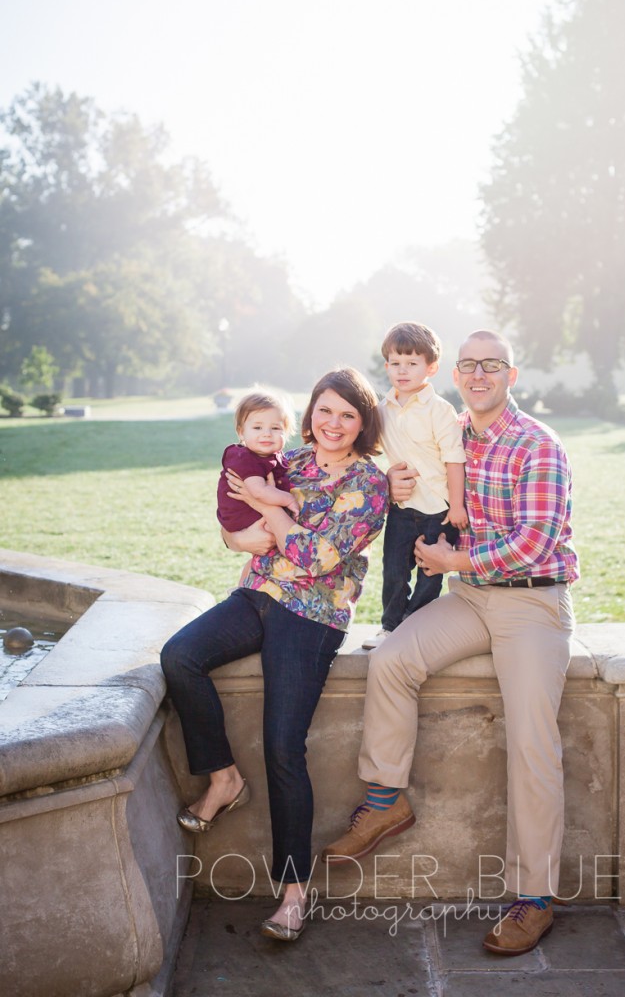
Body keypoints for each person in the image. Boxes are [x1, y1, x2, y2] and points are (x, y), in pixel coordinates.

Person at [322, 330, 579, 957]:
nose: (479, 375)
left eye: (491, 366)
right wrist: (402, 487)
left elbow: (535, 542)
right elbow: (413, 480)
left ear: (511, 376)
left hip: (531, 601)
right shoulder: (446, 426)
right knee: (391, 660)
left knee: (531, 740)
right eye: (469, 366)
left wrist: (453, 559)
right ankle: (385, 800)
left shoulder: (538, 445)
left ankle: (535, 898)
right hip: (470, 598)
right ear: (455, 375)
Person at [161, 368, 389, 942]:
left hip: (312, 615)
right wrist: (242, 531)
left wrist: (274, 511)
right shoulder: (289, 462)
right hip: (258, 593)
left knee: (284, 746)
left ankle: (293, 892)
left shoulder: (369, 483)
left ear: (363, 423)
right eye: (325, 411)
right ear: (309, 413)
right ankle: (223, 778)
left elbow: (316, 557)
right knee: (180, 655)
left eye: (347, 415)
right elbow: (236, 517)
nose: (332, 424)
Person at [363, 322, 467, 651]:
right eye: (396, 363)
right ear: (386, 367)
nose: (403, 371)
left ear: (431, 367)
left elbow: (454, 459)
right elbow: (369, 455)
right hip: (403, 508)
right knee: (394, 570)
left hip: (439, 508)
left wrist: (457, 505)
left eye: (412, 363)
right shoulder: (381, 411)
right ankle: (390, 627)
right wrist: (386, 478)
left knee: (429, 575)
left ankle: (415, 630)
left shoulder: (440, 410)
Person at [216, 390, 299, 533]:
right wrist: (289, 500)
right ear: (241, 432)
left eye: (275, 428)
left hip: (256, 512)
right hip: (241, 516)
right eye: (257, 427)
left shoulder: (275, 456)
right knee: (275, 531)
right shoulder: (243, 458)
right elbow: (259, 491)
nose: (266, 433)